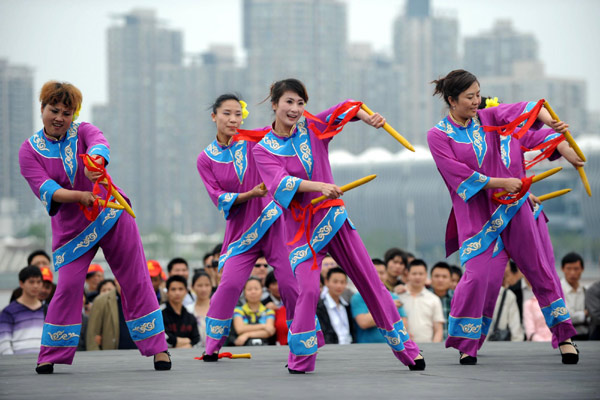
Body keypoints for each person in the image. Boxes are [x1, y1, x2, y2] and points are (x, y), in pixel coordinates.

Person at [252, 78, 423, 373]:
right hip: (300, 231)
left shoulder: (313, 127)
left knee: (370, 281)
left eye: (300, 103)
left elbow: (347, 107)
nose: (295, 109)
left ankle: (408, 350)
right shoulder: (262, 149)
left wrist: (368, 118)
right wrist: (320, 185)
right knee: (305, 291)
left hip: (334, 219)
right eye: (289, 102)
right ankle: (301, 360)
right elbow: (281, 184)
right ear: (274, 104)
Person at [427, 69, 581, 364]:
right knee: (476, 277)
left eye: (478, 94)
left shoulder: (490, 118)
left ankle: (565, 338)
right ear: (451, 100)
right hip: (478, 218)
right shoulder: (438, 136)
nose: (476, 101)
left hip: (515, 209)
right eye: (469, 97)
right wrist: (502, 182)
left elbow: (527, 112)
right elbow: (458, 175)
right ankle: (467, 343)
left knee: (540, 271)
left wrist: (554, 126)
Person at [18, 81, 170, 373]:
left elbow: (100, 142)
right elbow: (47, 189)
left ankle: (158, 349)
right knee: (68, 285)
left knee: (136, 279)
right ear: (42, 109)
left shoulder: (84, 130)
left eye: (67, 112)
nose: (60, 117)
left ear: (74, 114)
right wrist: (80, 196)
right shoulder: (29, 151)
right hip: (72, 230)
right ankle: (51, 353)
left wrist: (96, 162)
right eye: (54, 110)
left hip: (111, 215)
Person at [196, 94, 299, 361]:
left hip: (273, 219)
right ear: (214, 117)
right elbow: (218, 197)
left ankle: (305, 338)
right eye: (226, 114)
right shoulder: (205, 159)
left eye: (237, 114)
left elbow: (283, 129)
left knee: (289, 283)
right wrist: (249, 195)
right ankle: (212, 346)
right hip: (241, 231)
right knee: (229, 285)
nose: (233, 119)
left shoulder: (254, 140)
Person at [351, 259, 408, 343]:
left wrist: (373, 317)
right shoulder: (358, 297)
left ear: (387, 275)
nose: (378, 276)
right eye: (374, 272)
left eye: (382, 273)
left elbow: (403, 326)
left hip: (393, 347)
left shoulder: (394, 297)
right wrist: (389, 307)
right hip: (366, 349)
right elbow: (364, 322)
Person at [0, 266, 45, 355]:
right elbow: (3, 343)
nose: (35, 285)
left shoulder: (47, 310)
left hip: (43, 364)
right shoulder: (8, 312)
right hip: (17, 365)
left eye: (38, 282)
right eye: (31, 282)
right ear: (21, 284)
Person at [399, 260, 444, 343]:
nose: (417, 277)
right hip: (402, 347)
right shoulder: (398, 297)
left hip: (428, 347)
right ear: (408, 275)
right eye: (414, 274)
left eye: (421, 274)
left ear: (426, 275)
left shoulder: (434, 299)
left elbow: (438, 329)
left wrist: (435, 347)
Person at [86, 280, 137, 351]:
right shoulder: (101, 301)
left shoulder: (141, 298)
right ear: (116, 280)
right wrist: (96, 359)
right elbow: (92, 335)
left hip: (138, 354)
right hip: (111, 355)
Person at [232, 277, 276, 346]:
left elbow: (270, 331)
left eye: (256, 289)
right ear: (244, 293)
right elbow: (240, 329)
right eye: (249, 289)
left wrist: (247, 334)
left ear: (262, 291)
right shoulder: (238, 310)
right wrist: (264, 326)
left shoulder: (269, 311)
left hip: (266, 349)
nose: (253, 292)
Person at [316, 268, 354, 344]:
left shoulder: (347, 305)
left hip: (350, 347)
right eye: (335, 282)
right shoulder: (319, 307)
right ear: (326, 282)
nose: (339, 286)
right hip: (331, 349)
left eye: (342, 282)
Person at [162, 275, 200, 349]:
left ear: (186, 291)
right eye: (173, 289)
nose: (177, 293)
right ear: (167, 292)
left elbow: (196, 339)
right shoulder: (160, 314)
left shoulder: (190, 316)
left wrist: (189, 344)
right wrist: (183, 341)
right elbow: (163, 338)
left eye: (181, 289)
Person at [560, 252, 588, 340]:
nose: (572, 273)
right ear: (562, 269)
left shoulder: (585, 290)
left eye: (576, 269)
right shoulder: (557, 291)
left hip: (585, 336)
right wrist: (584, 314)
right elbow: (564, 318)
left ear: (582, 269)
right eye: (568, 269)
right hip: (565, 337)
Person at [186, 271, 212, 348]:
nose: (204, 289)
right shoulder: (188, 310)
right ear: (192, 287)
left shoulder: (218, 310)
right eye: (199, 285)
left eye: (207, 285)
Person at [262, 271, 289, 345]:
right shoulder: (263, 304)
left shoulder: (292, 301)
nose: (278, 287)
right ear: (268, 287)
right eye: (274, 284)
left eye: (280, 283)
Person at [429, 262, 454, 339]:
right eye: (436, 276)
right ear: (431, 278)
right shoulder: (424, 297)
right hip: (429, 345)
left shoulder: (457, 298)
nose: (440, 280)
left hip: (453, 346)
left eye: (444, 277)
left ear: (450, 280)